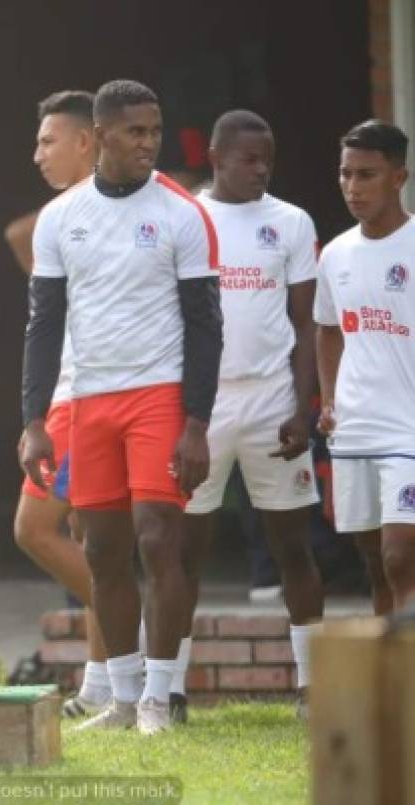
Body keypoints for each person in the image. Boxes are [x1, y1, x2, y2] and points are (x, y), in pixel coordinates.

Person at [21, 80, 222, 735]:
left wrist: (196, 421)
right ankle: (122, 697)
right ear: (101, 136)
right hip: (88, 401)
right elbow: (44, 325)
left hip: (159, 396)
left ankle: (160, 699)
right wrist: (32, 422)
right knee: (103, 551)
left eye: (154, 131)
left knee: (158, 539)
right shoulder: (60, 218)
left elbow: (205, 324)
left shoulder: (182, 212)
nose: (148, 142)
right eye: (135, 132)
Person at [172, 110, 324, 721]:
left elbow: (309, 323)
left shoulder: (290, 222)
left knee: (294, 547)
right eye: (248, 160)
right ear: (215, 157)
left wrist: (301, 402)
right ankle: (171, 688)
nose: (260, 170)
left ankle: (313, 688)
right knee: (184, 553)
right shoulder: (187, 220)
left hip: (271, 401)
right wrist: (181, 414)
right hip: (202, 410)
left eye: (268, 160)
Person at [6, 90, 110, 718]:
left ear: (86, 142)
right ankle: (101, 684)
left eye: (48, 141)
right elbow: (19, 235)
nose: (37, 153)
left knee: (33, 529)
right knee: (83, 536)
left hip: (90, 396)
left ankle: (126, 616)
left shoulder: (108, 207)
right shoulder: (63, 217)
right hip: (69, 391)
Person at [315, 119, 415, 612]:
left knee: (402, 557)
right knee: (375, 563)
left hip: (409, 431)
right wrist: (330, 397)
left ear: (399, 177)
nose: (352, 188)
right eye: (346, 174)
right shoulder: (335, 255)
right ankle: (393, 683)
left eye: (367, 175)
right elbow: (328, 328)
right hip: (356, 430)